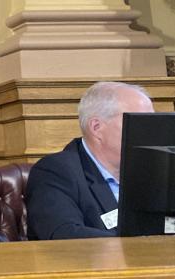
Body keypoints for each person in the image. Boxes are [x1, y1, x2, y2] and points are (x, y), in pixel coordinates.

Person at [25, 81, 154, 240]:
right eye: (140, 123)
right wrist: (140, 246)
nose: (150, 133)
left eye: (151, 123)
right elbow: (63, 234)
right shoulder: (55, 171)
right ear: (96, 127)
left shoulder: (152, 170)